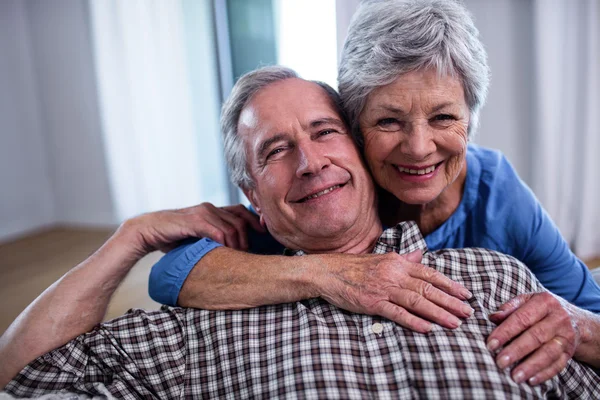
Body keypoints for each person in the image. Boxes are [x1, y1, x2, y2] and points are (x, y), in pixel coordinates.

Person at [2, 68, 599, 399]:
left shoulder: (497, 281)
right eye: (276, 151)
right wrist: (129, 238)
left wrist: (573, 326)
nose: (310, 163)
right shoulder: (201, 325)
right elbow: (24, 378)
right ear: (251, 198)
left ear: (363, 153)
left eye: (323, 132)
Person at [148, 0, 600, 386]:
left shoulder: (497, 190)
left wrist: (576, 325)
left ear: (471, 119)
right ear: (356, 126)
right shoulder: (333, 193)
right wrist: (327, 273)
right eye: (388, 121)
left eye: (443, 118)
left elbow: (590, 310)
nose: (419, 148)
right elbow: (170, 274)